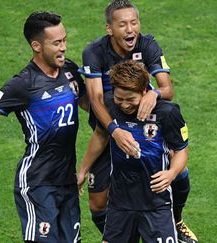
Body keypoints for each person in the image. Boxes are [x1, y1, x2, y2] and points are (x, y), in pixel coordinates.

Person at [0, 11, 88, 242]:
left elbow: (90, 104)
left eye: (65, 40)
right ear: (36, 45)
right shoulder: (24, 83)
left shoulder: (69, 70)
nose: (63, 47)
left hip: (67, 180)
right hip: (37, 183)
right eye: (56, 43)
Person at [79, 0, 197, 242]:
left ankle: (175, 220)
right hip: (110, 129)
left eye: (134, 23)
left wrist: (152, 94)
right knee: (98, 203)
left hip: (146, 129)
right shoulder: (94, 52)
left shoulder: (148, 45)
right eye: (122, 24)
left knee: (178, 171)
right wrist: (114, 131)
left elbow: (167, 88)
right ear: (109, 28)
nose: (130, 29)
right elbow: (95, 100)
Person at [78, 60, 188, 242]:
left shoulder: (167, 113)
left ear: (144, 91)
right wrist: (82, 170)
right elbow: (100, 135)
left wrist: (172, 173)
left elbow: (181, 150)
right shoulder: (109, 105)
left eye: (130, 99)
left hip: (156, 203)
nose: (124, 105)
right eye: (119, 98)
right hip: (119, 204)